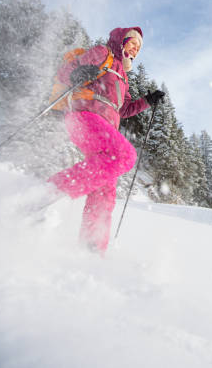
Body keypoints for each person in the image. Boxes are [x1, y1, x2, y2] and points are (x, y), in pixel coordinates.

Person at [46, 26, 164, 255]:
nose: (135, 49)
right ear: (121, 41)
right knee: (125, 155)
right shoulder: (103, 53)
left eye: (139, 48)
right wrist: (77, 74)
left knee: (105, 188)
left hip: (105, 128)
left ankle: (91, 248)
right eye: (132, 43)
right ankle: (51, 190)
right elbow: (66, 71)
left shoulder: (123, 79)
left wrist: (147, 101)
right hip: (83, 117)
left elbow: (125, 109)